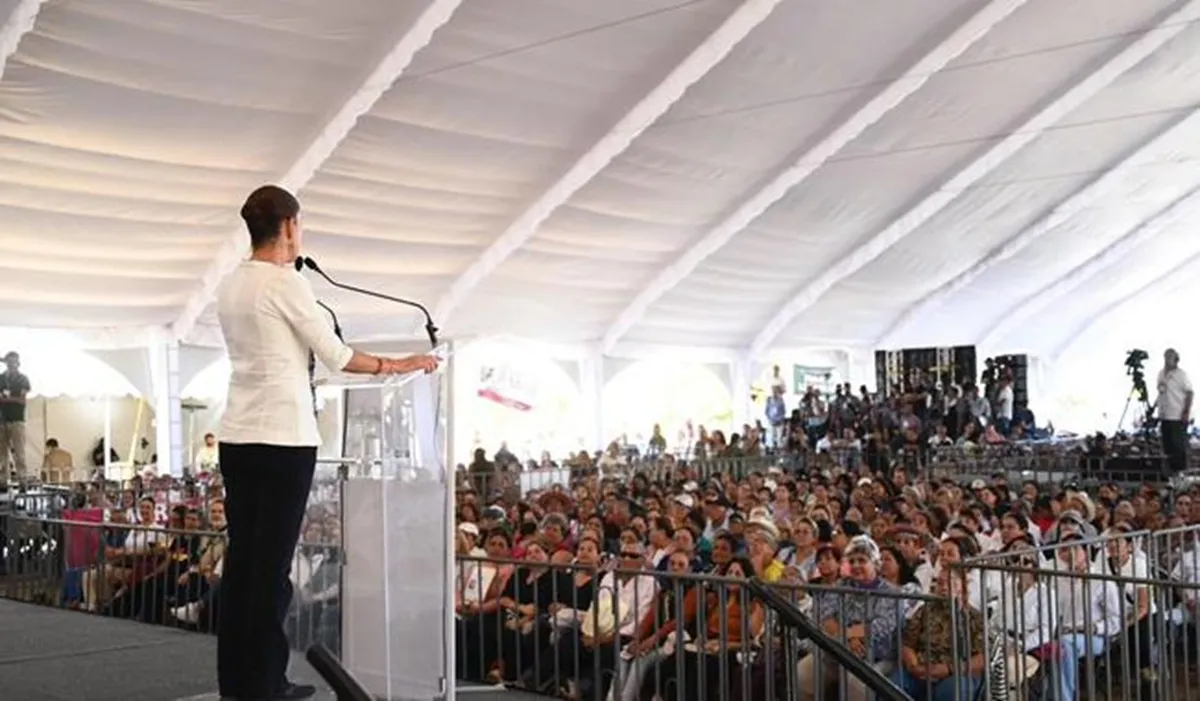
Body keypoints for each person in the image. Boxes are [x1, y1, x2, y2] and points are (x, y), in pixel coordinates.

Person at [215, 185, 438, 701]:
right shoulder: (285, 283)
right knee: (271, 571)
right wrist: (399, 364)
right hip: (283, 438)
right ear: (289, 226)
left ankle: (238, 682)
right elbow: (337, 355)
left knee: (243, 564)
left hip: (238, 436)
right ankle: (265, 685)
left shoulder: (230, 284)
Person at [1156, 348, 1192, 474]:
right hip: (1164, 414)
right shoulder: (1161, 374)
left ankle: (1180, 472)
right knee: (1167, 446)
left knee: (1178, 446)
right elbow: (1161, 392)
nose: (1167, 360)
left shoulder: (1181, 375)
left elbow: (1189, 393)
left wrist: (1186, 411)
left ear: (1176, 359)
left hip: (1177, 414)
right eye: (1166, 357)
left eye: (1170, 357)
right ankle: (1170, 472)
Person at [0, 351, 31, 484]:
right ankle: (2, 480)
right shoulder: (1, 378)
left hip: (17, 420)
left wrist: (7, 399)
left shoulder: (22, 379)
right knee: (2, 453)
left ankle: (22, 480)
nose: (11, 364)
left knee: (19, 453)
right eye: (9, 362)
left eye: (13, 362)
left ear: (18, 363)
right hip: (2, 419)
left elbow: (22, 400)